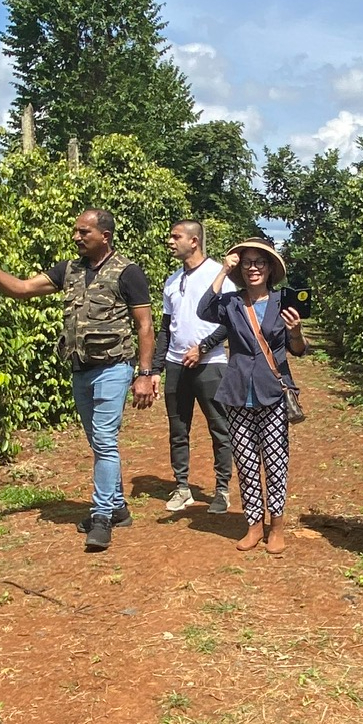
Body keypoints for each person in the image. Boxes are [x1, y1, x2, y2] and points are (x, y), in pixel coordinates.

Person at [0, 208, 158, 553]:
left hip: (114, 367)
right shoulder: (69, 270)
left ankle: (101, 516)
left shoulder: (128, 272)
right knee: (97, 441)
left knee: (103, 439)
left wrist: (145, 374)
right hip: (80, 369)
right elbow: (23, 289)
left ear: (105, 236)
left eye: (84, 232)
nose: (76, 237)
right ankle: (117, 507)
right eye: (76, 231)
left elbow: (145, 325)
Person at [198, 237, 308, 555]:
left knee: (274, 461)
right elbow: (203, 308)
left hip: (272, 391)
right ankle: (253, 525)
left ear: (270, 268)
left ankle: (276, 526)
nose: (253, 268)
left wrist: (297, 331)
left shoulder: (281, 302)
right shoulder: (232, 303)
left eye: (260, 262)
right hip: (237, 392)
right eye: (247, 263)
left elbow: (297, 350)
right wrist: (223, 269)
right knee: (246, 463)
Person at [153, 220, 235, 514]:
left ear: (194, 241)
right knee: (178, 427)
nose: (170, 241)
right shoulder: (172, 280)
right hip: (176, 364)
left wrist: (202, 348)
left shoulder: (220, 275)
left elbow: (231, 322)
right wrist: (155, 369)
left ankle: (222, 490)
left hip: (210, 364)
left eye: (176, 237)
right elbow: (166, 328)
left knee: (220, 427)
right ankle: (182, 487)